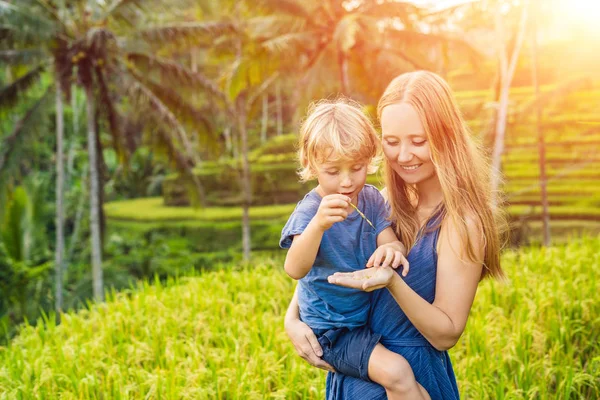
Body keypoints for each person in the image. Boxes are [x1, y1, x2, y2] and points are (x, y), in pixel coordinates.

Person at [284, 71, 506, 399]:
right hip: (357, 369)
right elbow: (324, 266)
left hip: (413, 374)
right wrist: (293, 320)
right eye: (392, 142)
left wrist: (391, 281)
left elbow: (445, 335)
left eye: (418, 141)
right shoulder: (382, 200)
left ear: (445, 137)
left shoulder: (462, 222)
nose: (403, 156)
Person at [280, 98, 431, 399]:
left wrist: (392, 249)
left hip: (363, 320)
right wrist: (318, 227)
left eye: (357, 168)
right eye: (333, 171)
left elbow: (387, 237)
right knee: (398, 374)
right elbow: (294, 269)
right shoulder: (310, 213)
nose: (348, 182)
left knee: (418, 388)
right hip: (330, 331)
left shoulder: (371, 200)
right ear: (312, 166)